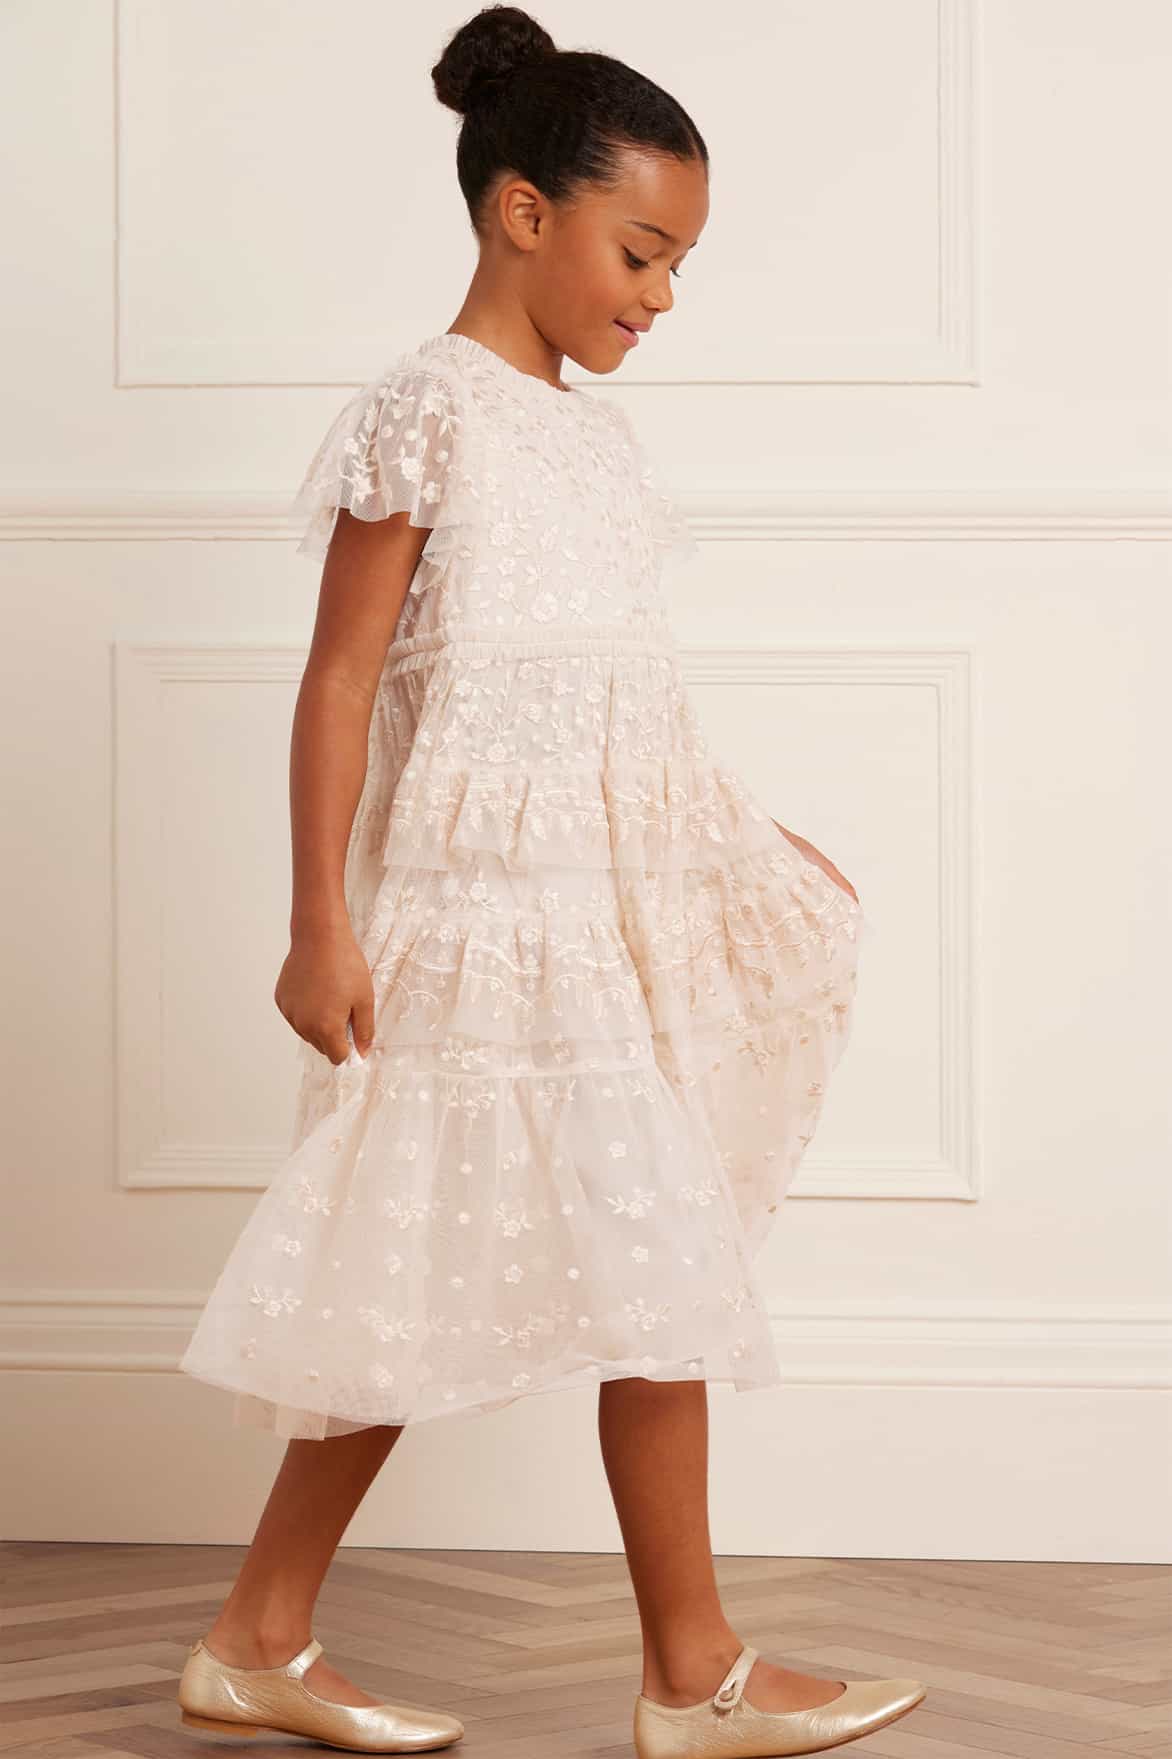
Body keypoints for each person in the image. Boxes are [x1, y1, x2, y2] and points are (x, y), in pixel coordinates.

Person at [176, 7, 925, 1755]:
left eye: (680, 268)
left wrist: (742, 846)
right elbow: (342, 681)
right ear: (525, 212)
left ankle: (676, 1667)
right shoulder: (426, 413)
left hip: (600, 926)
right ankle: (279, 1637)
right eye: (641, 252)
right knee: (411, 1279)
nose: (662, 296)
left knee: (659, 1262)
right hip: (464, 927)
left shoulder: (599, 446)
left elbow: (620, 704)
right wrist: (317, 921)